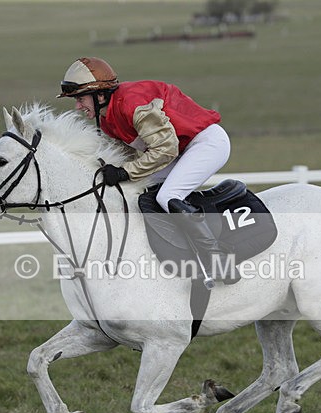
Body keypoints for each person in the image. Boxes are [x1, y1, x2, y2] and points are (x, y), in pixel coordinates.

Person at [57, 57, 238, 284]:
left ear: (100, 95)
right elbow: (135, 157)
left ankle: (218, 259)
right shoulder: (108, 119)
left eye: (80, 99)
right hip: (181, 151)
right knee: (136, 189)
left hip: (206, 143)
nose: (77, 106)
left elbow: (165, 149)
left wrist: (124, 172)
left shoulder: (132, 103)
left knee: (167, 196)